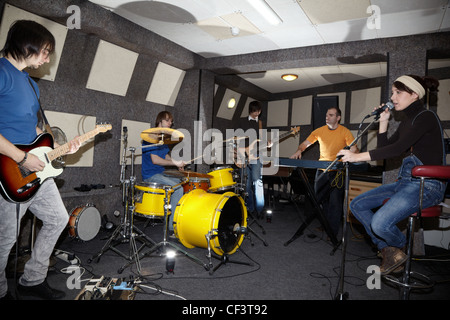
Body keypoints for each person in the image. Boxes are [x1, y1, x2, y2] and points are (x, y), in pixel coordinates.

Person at [0, 20, 81, 300]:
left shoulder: (32, 85)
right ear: (26, 45)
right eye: (45, 51)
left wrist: (56, 147)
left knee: (59, 219)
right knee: (6, 240)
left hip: (35, 169)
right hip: (8, 170)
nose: (47, 58)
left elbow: (31, 128)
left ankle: (32, 280)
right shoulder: (0, 72)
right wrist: (21, 157)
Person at [337, 75, 446, 275]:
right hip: (405, 183)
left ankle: (399, 246)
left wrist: (357, 157)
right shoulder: (406, 122)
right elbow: (385, 149)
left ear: (414, 95)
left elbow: (398, 149)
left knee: (380, 223)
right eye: (393, 93)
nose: (393, 97)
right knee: (356, 204)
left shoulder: (426, 117)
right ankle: (389, 250)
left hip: (427, 186)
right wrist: (384, 122)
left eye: (398, 92)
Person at [290, 106, 358, 238]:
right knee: (320, 199)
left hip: (337, 172)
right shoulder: (319, 131)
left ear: (338, 118)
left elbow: (354, 149)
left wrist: (348, 156)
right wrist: (299, 150)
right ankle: (325, 225)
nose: (327, 117)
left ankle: (332, 232)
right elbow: (305, 144)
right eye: (327, 115)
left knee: (335, 202)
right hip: (321, 171)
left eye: (331, 115)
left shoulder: (345, 132)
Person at [141, 111, 185, 236]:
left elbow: (164, 155)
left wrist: (177, 162)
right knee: (177, 189)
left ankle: (179, 218)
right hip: (150, 176)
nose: (170, 123)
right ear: (159, 122)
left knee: (183, 182)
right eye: (167, 121)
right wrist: (174, 164)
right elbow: (156, 160)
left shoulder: (163, 139)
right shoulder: (150, 138)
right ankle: (172, 228)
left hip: (161, 174)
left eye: (171, 121)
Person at [234, 101, 267, 219]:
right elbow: (235, 139)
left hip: (257, 156)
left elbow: (262, 141)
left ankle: (260, 209)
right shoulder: (241, 121)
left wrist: (267, 143)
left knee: (257, 181)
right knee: (246, 184)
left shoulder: (261, 124)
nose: (257, 113)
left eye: (259, 111)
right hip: (243, 156)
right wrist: (240, 152)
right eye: (255, 111)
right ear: (250, 110)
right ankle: (249, 208)